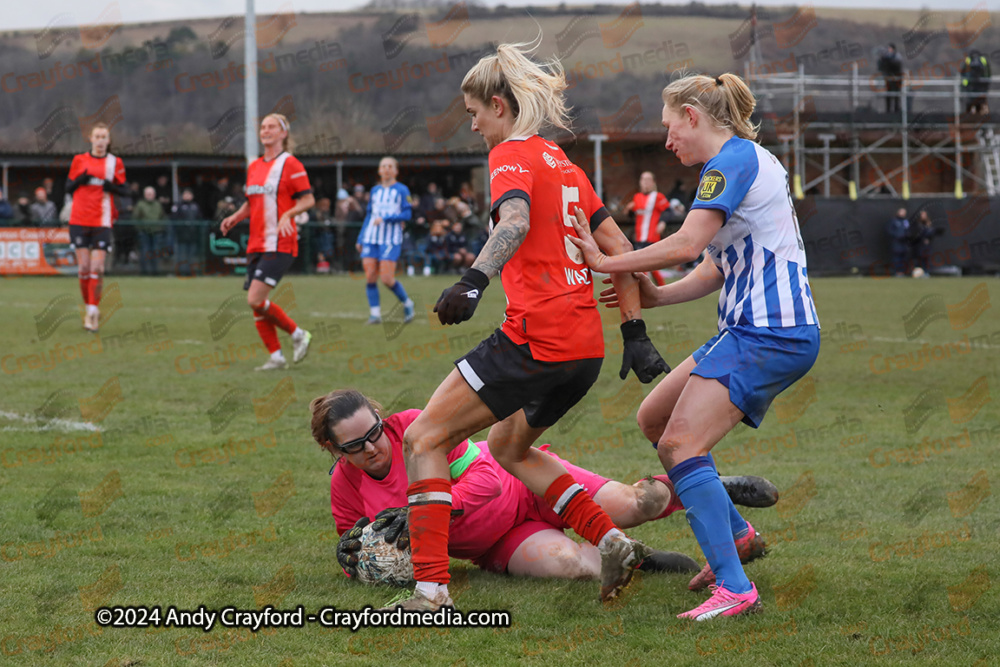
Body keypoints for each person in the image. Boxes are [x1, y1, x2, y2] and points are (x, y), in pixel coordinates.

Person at [393, 42, 670, 613]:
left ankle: (429, 591)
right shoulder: (563, 164)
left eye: (474, 113)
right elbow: (621, 249)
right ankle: (611, 540)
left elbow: (513, 220)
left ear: (499, 105)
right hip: (584, 348)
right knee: (509, 447)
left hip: (535, 337)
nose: (472, 125)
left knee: (423, 438)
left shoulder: (510, 155)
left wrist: (473, 280)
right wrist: (635, 333)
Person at [569, 72, 820, 621]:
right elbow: (712, 265)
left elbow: (686, 243)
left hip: (771, 333)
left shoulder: (731, 162)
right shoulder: (740, 161)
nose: (665, 141)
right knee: (656, 419)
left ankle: (735, 587)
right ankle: (740, 533)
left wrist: (607, 262)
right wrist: (656, 299)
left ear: (692, 116)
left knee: (680, 446)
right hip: (751, 330)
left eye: (668, 127)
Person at [312, 390, 778, 582]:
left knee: (640, 502)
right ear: (334, 450)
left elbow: (488, 479)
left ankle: (708, 487)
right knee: (572, 566)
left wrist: (425, 512)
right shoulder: (344, 485)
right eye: (354, 445)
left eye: (373, 432)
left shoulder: (415, 429)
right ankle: (639, 557)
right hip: (498, 543)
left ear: (380, 418)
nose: (372, 447)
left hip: (527, 480)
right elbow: (358, 541)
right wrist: (358, 559)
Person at [220, 113, 315, 370]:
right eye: (263, 126)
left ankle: (297, 334)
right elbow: (253, 202)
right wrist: (236, 217)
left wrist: (288, 213)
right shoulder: (255, 166)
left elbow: (308, 200)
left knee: (254, 298)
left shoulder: (291, 163)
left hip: (280, 243)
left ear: (284, 133)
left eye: (272, 126)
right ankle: (276, 357)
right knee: (256, 304)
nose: (266, 130)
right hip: (256, 243)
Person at [66, 122, 129, 332]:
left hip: (102, 221)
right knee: (83, 268)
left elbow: (125, 190)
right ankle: (89, 307)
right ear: (90, 139)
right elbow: (67, 187)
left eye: (104, 137)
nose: (101, 140)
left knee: (98, 268)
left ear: (109, 141)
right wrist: (81, 179)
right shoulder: (79, 160)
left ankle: (92, 311)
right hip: (78, 220)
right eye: (97, 136)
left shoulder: (115, 162)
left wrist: (109, 186)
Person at [355, 157, 415, 325]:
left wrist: (387, 218)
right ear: (379, 171)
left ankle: (408, 303)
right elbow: (369, 215)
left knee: (387, 279)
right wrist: (361, 237)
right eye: (383, 166)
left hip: (390, 239)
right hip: (370, 238)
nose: (386, 169)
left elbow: (407, 214)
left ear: (395, 171)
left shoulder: (402, 190)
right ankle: (375, 315)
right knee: (370, 277)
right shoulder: (374, 191)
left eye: (390, 166)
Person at [622, 171, 670, 285]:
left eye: (648, 180)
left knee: (648, 266)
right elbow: (631, 215)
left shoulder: (657, 196)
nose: (645, 182)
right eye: (643, 179)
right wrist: (628, 210)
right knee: (648, 267)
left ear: (653, 182)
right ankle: (657, 289)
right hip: (639, 237)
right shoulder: (637, 197)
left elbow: (668, 211)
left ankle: (655, 289)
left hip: (652, 237)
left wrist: (662, 222)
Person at [132, 186, 166, 275]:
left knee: (156, 252)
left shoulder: (158, 204)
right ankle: (144, 272)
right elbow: (135, 218)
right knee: (144, 252)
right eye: (148, 194)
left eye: (151, 194)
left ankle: (156, 272)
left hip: (156, 232)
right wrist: (140, 229)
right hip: (144, 233)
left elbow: (163, 217)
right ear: (144, 195)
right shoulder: (140, 204)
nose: (150, 195)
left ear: (154, 195)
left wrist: (160, 227)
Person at [171, 188, 202, 276]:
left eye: (189, 194)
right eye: (186, 194)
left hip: (193, 236)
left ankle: (191, 271)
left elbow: (199, 218)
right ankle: (181, 272)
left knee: (191, 255)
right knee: (181, 255)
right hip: (181, 236)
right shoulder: (178, 206)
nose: (187, 196)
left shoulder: (195, 206)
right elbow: (174, 219)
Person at [909, 209, 941, 276]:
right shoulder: (917, 224)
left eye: (925, 215)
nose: (923, 216)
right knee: (918, 260)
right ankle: (917, 272)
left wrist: (928, 238)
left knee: (926, 259)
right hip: (918, 246)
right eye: (922, 215)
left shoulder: (928, 224)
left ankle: (926, 272)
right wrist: (922, 238)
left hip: (926, 247)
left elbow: (932, 234)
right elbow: (915, 234)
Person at [961, 50, 991, 115]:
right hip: (977, 86)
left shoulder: (969, 60)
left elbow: (963, 73)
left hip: (974, 86)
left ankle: (973, 116)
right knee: (977, 101)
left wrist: (964, 85)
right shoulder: (982, 60)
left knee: (975, 101)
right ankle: (975, 116)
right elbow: (988, 73)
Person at [877, 44, 903, 113]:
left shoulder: (897, 57)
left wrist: (887, 60)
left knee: (896, 95)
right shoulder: (885, 58)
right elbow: (881, 67)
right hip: (888, 79)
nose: (888, 50)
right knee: (888, 95)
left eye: (889, 48)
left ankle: (896, 110)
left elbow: (896, 65)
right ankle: (888, 110)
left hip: (896, 79)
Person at [886, 207, 911, 277]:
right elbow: (889, 231)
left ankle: (903, 272)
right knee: (897, 258)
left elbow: (908, 231)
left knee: (904, 258)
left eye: (904, 212)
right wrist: (897, 236)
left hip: (904, 243)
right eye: (901, 212)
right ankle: (897, 271)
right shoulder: (894, 221)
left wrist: (907, 236)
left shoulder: (906, 221)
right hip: (896, 243)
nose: (902, 214)